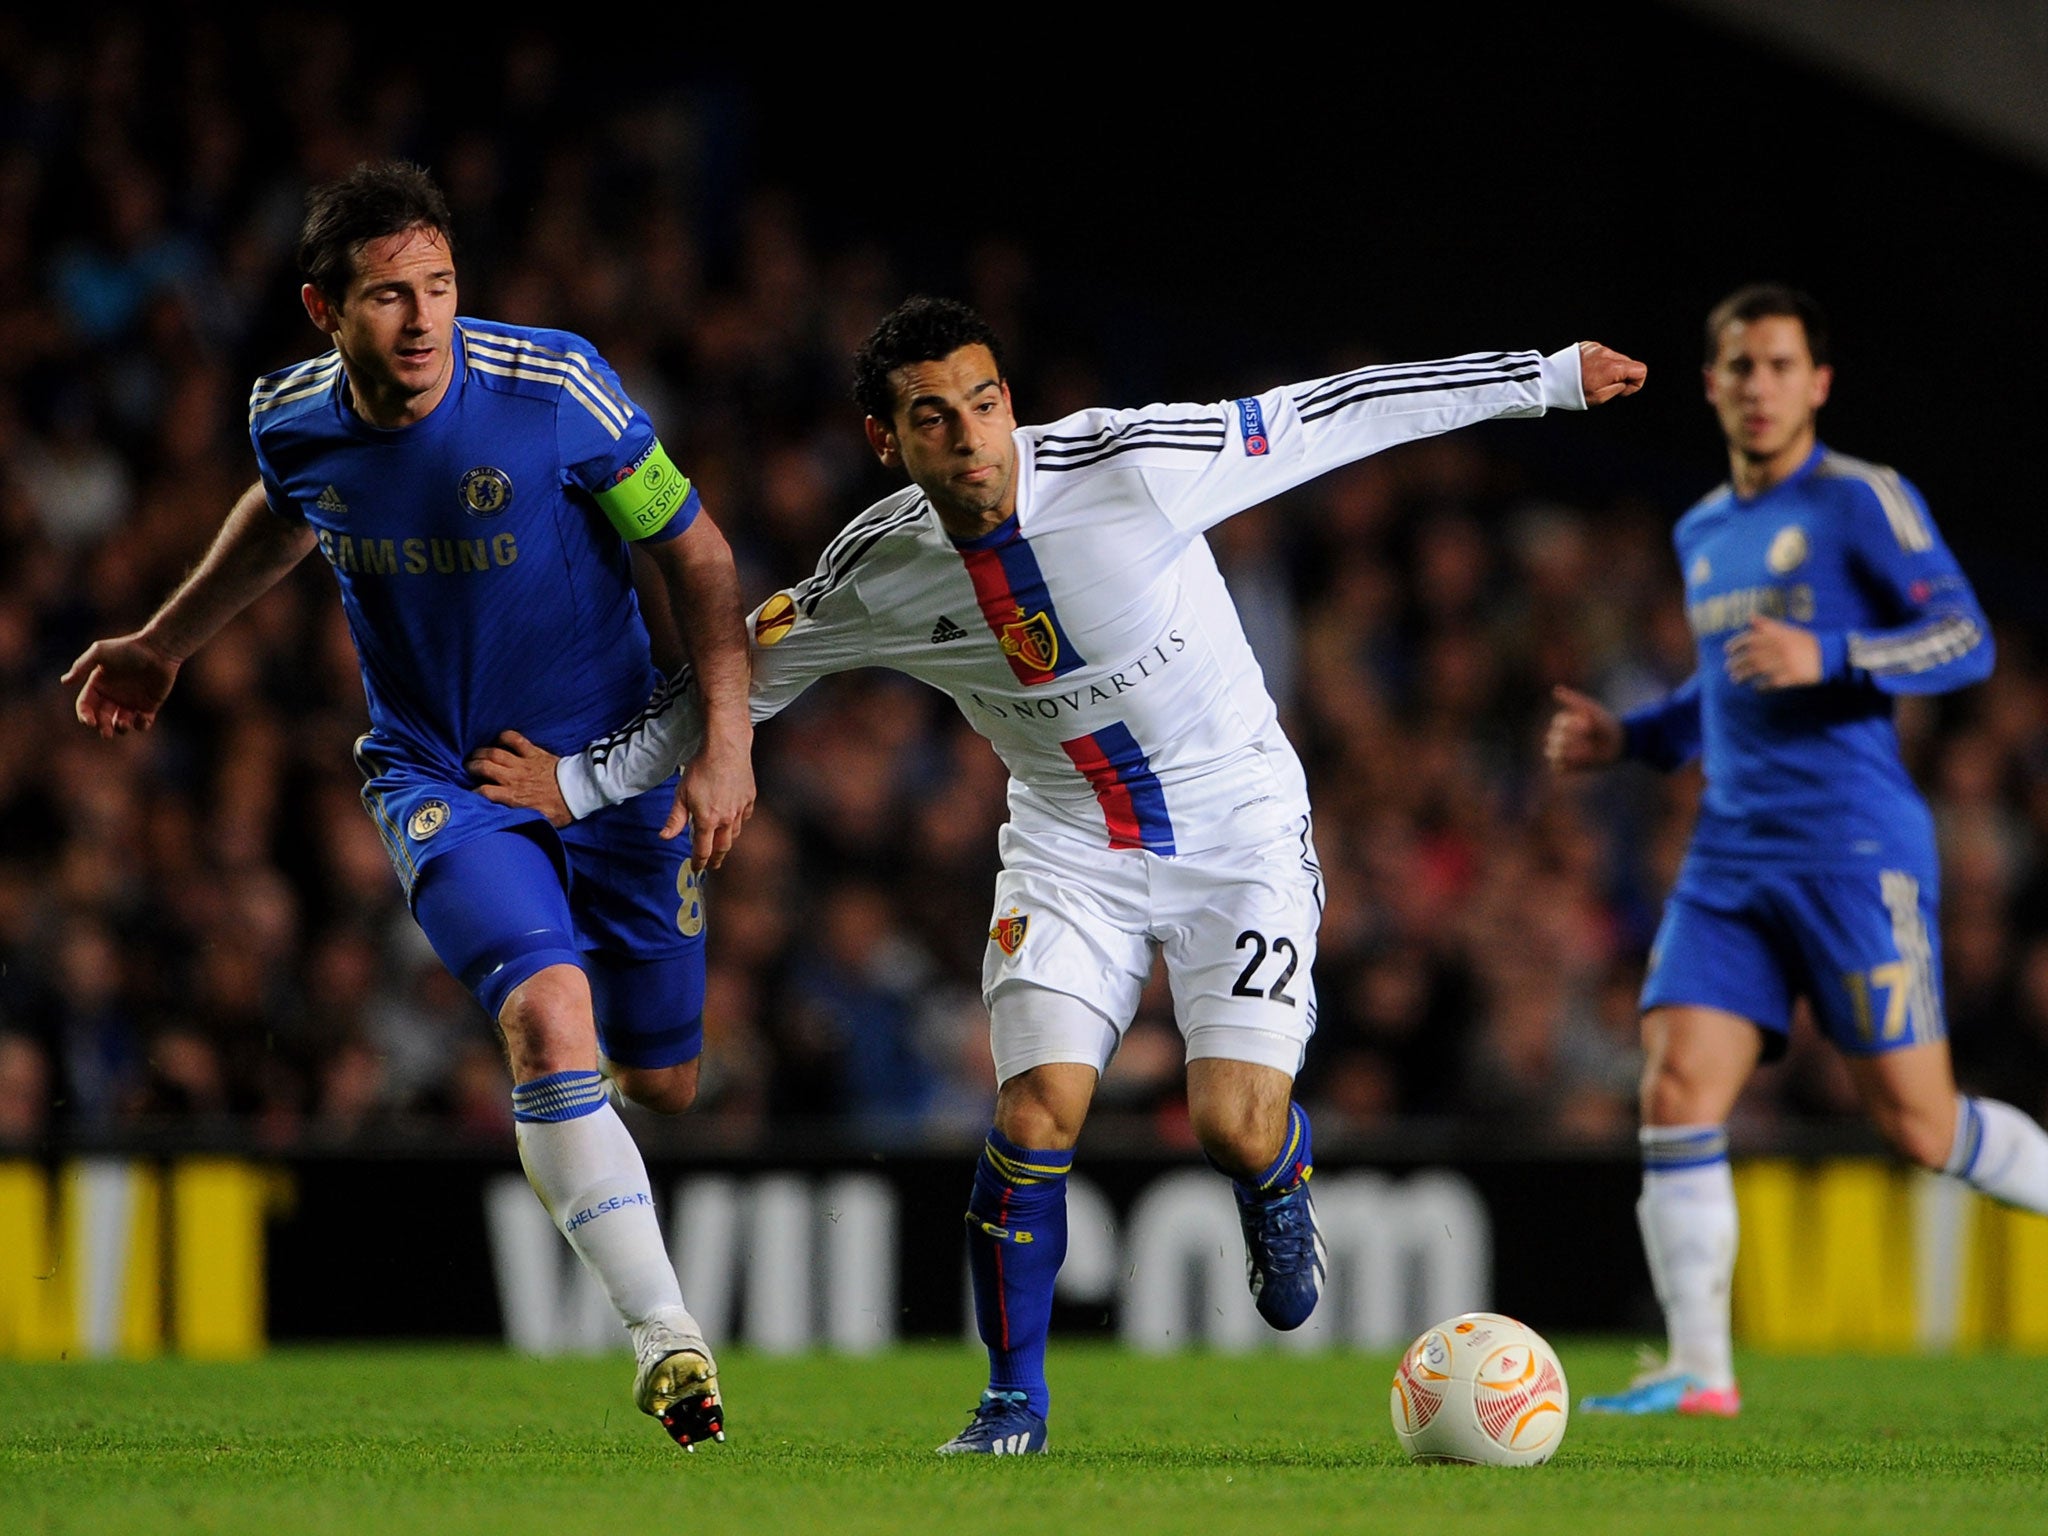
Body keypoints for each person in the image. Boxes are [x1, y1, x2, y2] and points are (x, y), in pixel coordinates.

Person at [471, 296, 1645, 1453]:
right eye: (932, 418)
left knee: (1231, 1124)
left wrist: (1540, 376)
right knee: (1035, 1114)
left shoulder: (1134, 465)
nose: (970, 436)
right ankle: (1010, 1407)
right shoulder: (881, 566)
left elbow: (1329, 412)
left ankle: (1273, 1178)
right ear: (888, 440)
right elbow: (739, 670)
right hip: (1068, 848)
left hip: (1236, 830)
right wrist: (579, 785)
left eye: (984, 403)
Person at [62, 161, 753, 1451]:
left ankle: (578, 1116)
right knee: (552, 1023)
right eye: (389, 297)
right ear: (325, 309)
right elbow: (287, 515)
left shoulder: (554, 390)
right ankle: (669, 1343)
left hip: (615, 774)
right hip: (441, 778)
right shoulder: (290, 416)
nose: (423, 320)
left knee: (661, 1077)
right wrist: (167, 641)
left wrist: (722, 746)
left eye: (439, 288)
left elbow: (697, 551)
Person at [1546, 284, 2048, 1416]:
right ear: (1712, 382)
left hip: (1850, 852)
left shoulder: (1861, 499)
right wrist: (1629, 736)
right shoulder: (1700, 530)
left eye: (1777, 365)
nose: (1757, 386)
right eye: (1737, 366)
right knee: (1674, 1086)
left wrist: (1832, 652)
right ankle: (1697, 1369)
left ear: (1815, 382)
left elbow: (1963, 637)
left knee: (1921, 1127)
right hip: (1729, 859)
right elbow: (1724, 686)